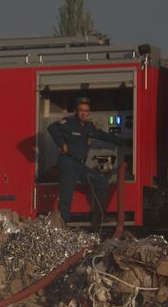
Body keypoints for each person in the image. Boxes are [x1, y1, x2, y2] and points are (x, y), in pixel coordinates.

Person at [46, 95, 127, 226]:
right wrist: (62, 144)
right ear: (76, 111)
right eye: (81, 110)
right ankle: (61, 229)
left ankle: (97, 220)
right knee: (66, 199)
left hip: (80, 166)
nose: (84, 113)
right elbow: (51, 128)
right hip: (68, 164)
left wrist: (121, 141)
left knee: (102, 184)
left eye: (86, 111)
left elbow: (102, 135)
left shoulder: (88, 127)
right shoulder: (68, 123)